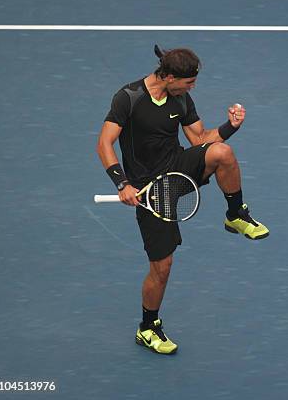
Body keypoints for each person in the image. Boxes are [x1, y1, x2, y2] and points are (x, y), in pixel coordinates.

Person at [96, 45, 269, 355]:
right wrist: (122, 184)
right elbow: (104, 143)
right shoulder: (129, 97)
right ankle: (148, 328)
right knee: (162, 267)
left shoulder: (179, 96)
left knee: (222, 154)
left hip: (178, 171)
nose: (193, 88)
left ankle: (236, 214)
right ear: (171, 76)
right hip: (150, 190)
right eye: (189, 83)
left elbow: (200, 139)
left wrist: (232, 126)